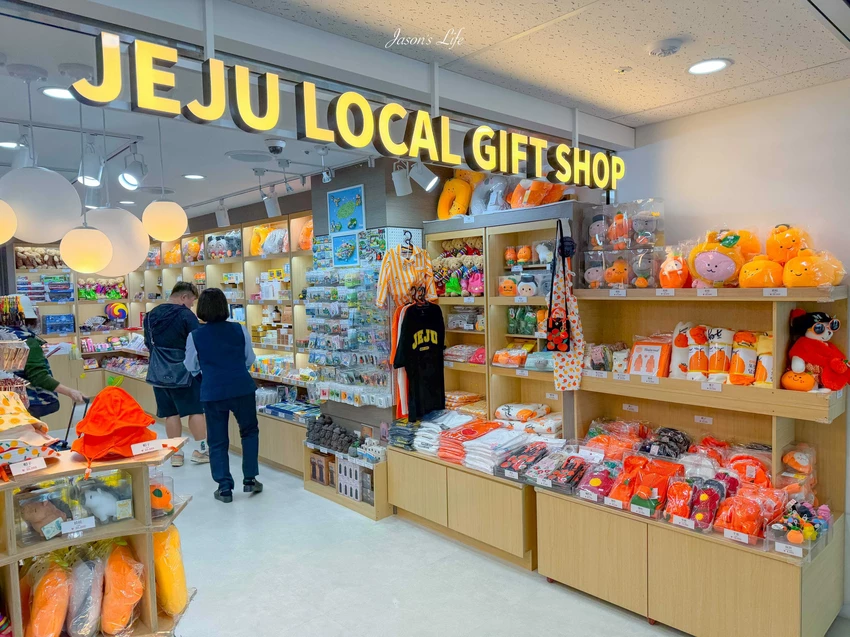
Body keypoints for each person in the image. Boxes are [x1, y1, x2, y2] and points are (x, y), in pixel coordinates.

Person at [184, 288, 261, 503]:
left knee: (217, 440)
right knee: (249, 432)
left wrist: (206, 377)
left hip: (213, 391)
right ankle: (250, 478)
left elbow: (190, 365)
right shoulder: (239, 329)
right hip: (242, 387)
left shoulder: (195, 335)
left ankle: (224, 487)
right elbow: (249, 359)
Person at [144, 282, 208, 467]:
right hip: (185, 372)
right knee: (195, 410)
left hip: (158, 371)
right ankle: (202, 450)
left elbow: (148, 343)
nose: (192, 305)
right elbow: (198, 341)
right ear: (184, 297)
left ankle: (176, 454)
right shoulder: (186, 315)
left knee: (170, 414)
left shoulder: (150, 315)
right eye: (192, 301)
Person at [0, 295, 84, 417]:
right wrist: (70, 392)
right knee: (32, 429)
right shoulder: (27, 341)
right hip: (26, 403)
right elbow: (39, 377)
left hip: (5, 403)